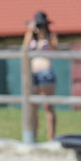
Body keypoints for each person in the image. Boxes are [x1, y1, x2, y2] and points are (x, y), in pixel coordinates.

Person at [23, 11, 58, 141]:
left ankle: (51, 138)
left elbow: (54, 49)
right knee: (33, 108)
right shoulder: (31, 37)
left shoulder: (50, 37)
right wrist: (30, 31)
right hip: (33, 74)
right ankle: (34, 137)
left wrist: (45, 36)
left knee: (48, 106)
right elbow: (24, 48)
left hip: (46, 73)